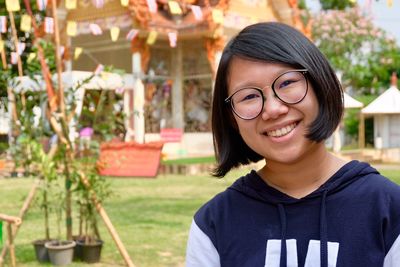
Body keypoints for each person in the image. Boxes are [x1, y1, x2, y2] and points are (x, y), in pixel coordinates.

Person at [185, 22, 400, 267]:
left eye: (287, 83)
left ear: (320, 86)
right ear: (232, 119)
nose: (273, 110)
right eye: (249, 96)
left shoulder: (388, 209)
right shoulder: (213, 224)